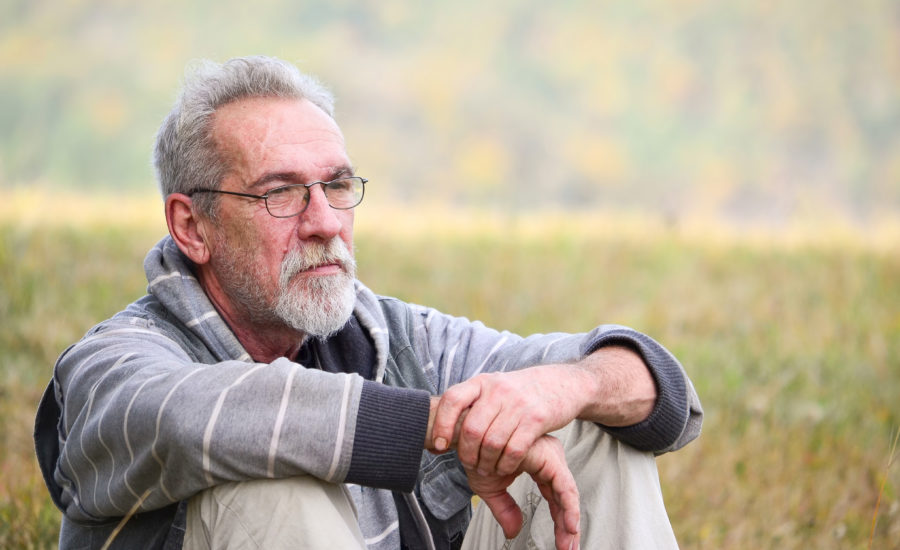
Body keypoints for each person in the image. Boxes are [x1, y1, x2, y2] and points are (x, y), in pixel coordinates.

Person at [34, 55, 703, 550]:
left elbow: (662, 395)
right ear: (191, 227)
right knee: (273, 475)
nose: (325, 220)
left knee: (587, 431)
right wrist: (436, 424)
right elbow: (193, 422)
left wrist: (568, 387)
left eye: (337, 185)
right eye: (281, 192)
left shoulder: (392, 335)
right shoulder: (113, 363)